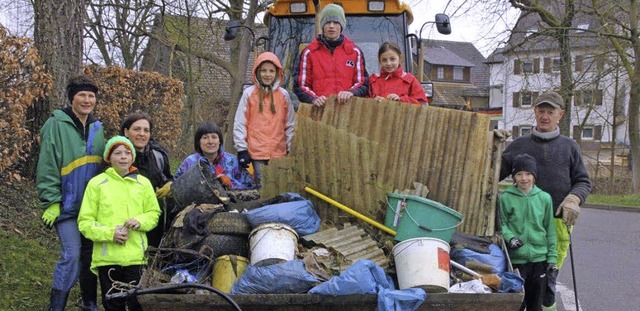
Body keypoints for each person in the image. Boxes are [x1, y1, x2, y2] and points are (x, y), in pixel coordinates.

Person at [500, 91, 592, 311]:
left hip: (556, 225)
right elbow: (492, 173)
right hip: (519, 225)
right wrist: (493, 146)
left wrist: (573, 198)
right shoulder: (519, 145)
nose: (545, 116)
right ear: (535, 112)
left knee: (547, 279)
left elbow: (583, 182)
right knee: (520, 280)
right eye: (541, 111)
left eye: (551, 112)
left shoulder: (569, 147)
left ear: (560, 114)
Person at [36, 74, 104, 311]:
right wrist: (51, 201)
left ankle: (89, 303)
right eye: (82, 95)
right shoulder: (55, 124)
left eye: (91, 96)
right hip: (66, 207)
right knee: (71, 256)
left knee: (89, 258)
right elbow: (46, 165)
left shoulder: (98, 128)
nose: (87, 100)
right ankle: (56, 307)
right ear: (71, 98)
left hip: (91, 208)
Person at [78, 136, 161, 311]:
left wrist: (140, 221)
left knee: (136, 303)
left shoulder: (143, 183)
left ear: (132, 157)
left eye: (127, 152)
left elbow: (154, 213)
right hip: (107, 258)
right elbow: (85, 222)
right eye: (117, 153)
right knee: (113, 304)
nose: (123, 157)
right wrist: (110, 234)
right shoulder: (97, 184)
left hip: (136, 257)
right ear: (109, 158)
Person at [500, 154, 557, 311]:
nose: (524, 178)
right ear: (514, 177)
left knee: (536, 305)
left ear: (534, 176)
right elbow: (503, 224)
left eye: (528, 174)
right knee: (517, 304)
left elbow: (550, 230)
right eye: (519, 174)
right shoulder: (505, 197)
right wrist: (510, 237)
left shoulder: (545, 198)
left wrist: (552, 258)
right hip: (517, 260)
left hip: (539, 260)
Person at [233, 52, 295, 186]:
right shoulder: (249, 94)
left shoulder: (283, 96)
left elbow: (290, 124)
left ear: (277, 73)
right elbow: (240, 123)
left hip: (279, 152)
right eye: (264, 71)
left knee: (280, 186)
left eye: (271, 71)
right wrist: (242, 149)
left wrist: (291, 147)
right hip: (257, 153)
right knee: (262, 186)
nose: (267, 74)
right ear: (257, 72)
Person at [293, 3, 368, 106]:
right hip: (319, 113)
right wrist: (314, 99)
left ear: (341, 26)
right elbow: (300, 85)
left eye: (336, 22)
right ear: (322, 26)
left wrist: (351, 93)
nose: (331, 26)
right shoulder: (309, 53)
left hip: (348, 112)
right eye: (328, 22)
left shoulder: (355, 52)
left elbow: (362, 82)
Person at [121, 111, 173, 248]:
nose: (142, 134)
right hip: (123, 221)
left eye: (146, 130)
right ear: (126, 132)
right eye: (136, 129)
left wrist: (170, 185)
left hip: (152, 221)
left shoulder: (158, 155)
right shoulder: (115, 155)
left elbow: (166, 178)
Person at [175, 121, 256, 190]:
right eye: (205, 138)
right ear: (198, 142)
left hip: (232, 207)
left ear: (219, 141)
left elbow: (251, 188)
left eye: (214, 137)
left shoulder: (232, 161)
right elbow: (176, 187)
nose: (210, 141)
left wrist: (230, 184)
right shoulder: (190, 162)